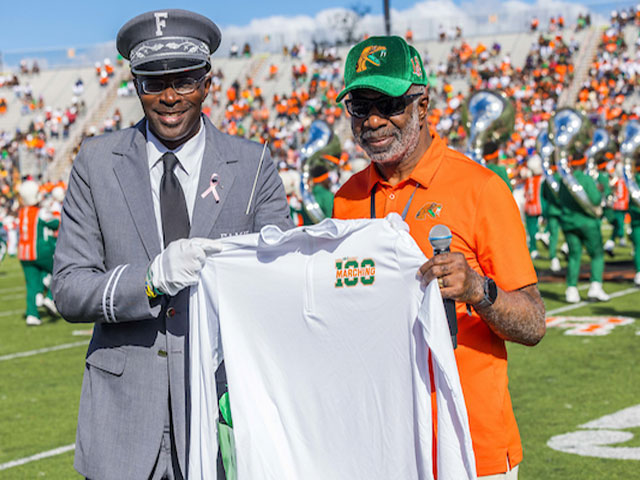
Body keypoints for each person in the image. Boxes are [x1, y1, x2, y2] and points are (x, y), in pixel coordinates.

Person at [52, 9, 291, 480]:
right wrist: (148, 281)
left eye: (183, 80)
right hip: (122, 419)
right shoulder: (97, 163)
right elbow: (69, 288)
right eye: (152, 82)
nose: (168, 97)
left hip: (222, 409)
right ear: (134, 84)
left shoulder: (253, 162)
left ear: (207, 81)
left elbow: (277, 283)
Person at [333, 36, 546, 479]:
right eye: (359, 105)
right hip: (385, 442)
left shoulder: (481, 189)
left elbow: (533, 324)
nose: (372, 120)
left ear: (422, 104)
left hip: (474, 445)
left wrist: (478, 290)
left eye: (388, 103)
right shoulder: (346, 199)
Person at [18, 180, 59, 326]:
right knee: (59, 269)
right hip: (39, 250)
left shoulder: (22, 212)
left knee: (31, 284)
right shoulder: (40, 212)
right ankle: (49, 297)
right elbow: (55, 224)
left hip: (24, 253)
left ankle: (32, 314)